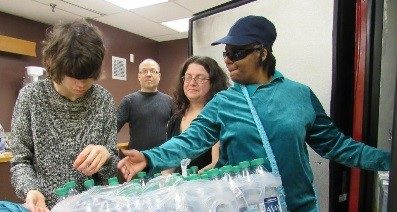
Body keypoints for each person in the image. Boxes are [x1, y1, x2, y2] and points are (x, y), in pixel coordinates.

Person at [117, 16, 391, 211]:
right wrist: (150, 157)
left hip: (299, 205)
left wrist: (388, 161)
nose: (228, 60)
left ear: (262, 52)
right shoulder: (224, 102)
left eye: (237, 52)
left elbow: (337, 145)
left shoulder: (299, 95)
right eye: (226, 53)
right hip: (244, 206)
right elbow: (191, 140)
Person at [10, 19, 119, 210]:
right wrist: (30, 189)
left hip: (94, 206)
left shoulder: (104, 100)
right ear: (54, 64)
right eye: (74, 76)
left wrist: (107, 156)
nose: (81, 85)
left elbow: (112, 173)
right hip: (47, 207)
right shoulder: (31, 97)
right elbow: (21, 160)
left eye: (88, 77)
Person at [164, 56, 229, 174]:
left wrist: (188, 182)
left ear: (213, 82)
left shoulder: (218, 116)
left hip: (209, 187)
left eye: (200, 78)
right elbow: (169, 161)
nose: (192, 83)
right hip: (179, 188)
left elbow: (217, 162)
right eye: (188, 77)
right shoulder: (175, 119)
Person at [117, 59, 173, 151]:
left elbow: (178, 131)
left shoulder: (169, 101)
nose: (148, 74)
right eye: (144, 71)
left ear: (159, 76)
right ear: (139, 76)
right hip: (136, 159)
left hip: (162, 159)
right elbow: (112, 129)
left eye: (152, 71)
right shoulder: (129, 101)